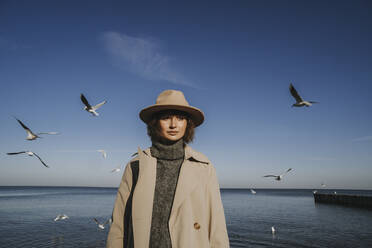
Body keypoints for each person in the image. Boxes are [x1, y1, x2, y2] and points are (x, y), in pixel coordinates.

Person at [106, 90, 229, 248]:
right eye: (166, 118)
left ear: (188, 123)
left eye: (180, 118)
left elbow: (217, 226)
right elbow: (119, 225)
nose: (173, 125)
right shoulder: (136, 166)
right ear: (155, 123)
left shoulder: (204, 167)